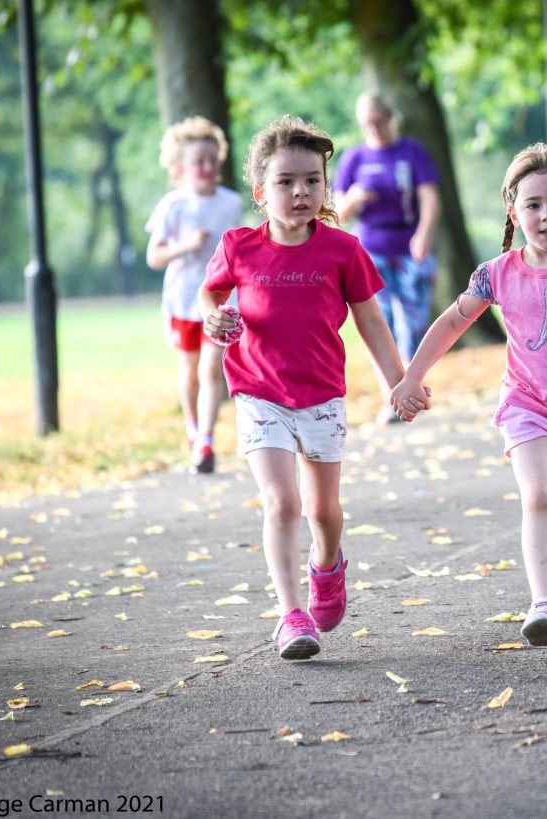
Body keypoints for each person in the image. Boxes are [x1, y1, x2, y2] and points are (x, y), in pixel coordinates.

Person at [391, 143, 547, 646]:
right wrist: (411, 375)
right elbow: (451, 323)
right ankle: (541, 601)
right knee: (539, 496)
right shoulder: (497, 273)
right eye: (533, 205)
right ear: (513, 211)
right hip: (526, 404)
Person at [198, 115, 423, 660]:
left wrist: (401, 381)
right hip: (258, 392)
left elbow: (371, 320)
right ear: (261, 192)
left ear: (327, 187)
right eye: (285, 181)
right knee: (281, 502)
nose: (300, 191)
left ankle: (329, 563)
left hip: (322, 394)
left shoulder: (343, 251)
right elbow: (210, 297)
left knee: (323, 511)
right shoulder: (238, 247)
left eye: (312, 180)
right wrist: (215, 319)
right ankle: (291, 615)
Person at [333, 91, 442, 424]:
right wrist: (354, 198)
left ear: (391, 118)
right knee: (381, 325)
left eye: (379, 122)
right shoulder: (354, 159)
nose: (375, 129)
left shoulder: (411, 153)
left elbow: (429, 197)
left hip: (410, 245)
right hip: (371, 247)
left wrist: (424, 233)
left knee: (414, 323)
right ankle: (392, 399)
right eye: (368, 123)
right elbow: (337, 212)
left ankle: (410, 386)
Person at [146, 116, 243, 474]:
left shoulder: (231, 202)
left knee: (211, 369)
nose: (207, 167)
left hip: (219, 301)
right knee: (188, 370)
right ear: (179, 168)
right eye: (198, 161)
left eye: (212, 159)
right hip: (180, 299)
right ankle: (192, 429)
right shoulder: (173, 205)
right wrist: (184, 246)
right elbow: (154, 257)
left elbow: (237, 251)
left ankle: (206, 440)